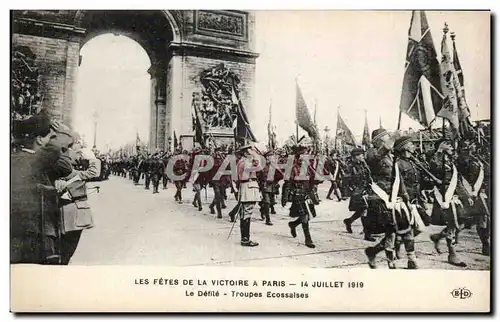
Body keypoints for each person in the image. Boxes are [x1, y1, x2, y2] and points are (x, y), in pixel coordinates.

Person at [11, 110, 73, 264]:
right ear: (39, 140)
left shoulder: (13, 159)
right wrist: (60, 132)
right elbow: (59, 149)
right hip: (36, 234)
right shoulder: (36, 159)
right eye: (49, 137)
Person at [363, 128, 411, 269]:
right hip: (380, 196)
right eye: (387, 137)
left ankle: (374, 252)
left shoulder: (391, 156)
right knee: (392, 228)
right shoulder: (371, 152)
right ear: (379, 140)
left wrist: (405, 195)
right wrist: (391, 141)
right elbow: (375, 158)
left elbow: (397, 177)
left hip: (393, 196)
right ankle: (390, 261)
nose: (390, 138)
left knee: (397, 228)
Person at [428, 139, 471, 267]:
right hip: (443, 196)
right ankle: (452, 255)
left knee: (461, 222)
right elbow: (433, 166)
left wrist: (466, 195)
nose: (452, 146)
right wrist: (439, 151)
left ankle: (437, 237)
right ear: (441, 147)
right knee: (453, 224)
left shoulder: (450, 161)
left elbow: (456, 181)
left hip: (454, 195)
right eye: (448, 144)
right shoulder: (437, 158)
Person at [282, 139, 317, 248]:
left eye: (307, 154)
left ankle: (293, 224)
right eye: (303, 154)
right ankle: (308, 239)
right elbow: (287, 182)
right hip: (297, 194)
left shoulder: (308, 166)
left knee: (310, 215)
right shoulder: (292, 167)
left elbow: (314, 180)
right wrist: (285, 197)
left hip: (307, 193)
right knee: (305, 216)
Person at [342, 148, 375, 241]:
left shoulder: (363, 165)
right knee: (365, 210)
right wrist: (348, 192)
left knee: (362, 210)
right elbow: (345, 180)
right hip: (357, 192)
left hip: (365, 190)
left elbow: (368, 176)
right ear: (355, 156)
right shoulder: (350, 166)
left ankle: (349, 221)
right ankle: (367, 234)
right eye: (360, 155)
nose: (362, 157)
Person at [236, 144, 261, 247]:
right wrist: (255, 154)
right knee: (247, 213)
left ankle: (245, 238)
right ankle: (245, 239)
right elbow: (258, 166)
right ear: (246, 152)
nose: (252, 152)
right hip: (248, 187)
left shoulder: (243, 161)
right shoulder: (245, 162)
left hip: (247, 186)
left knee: (246, 213)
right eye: (250, 151)